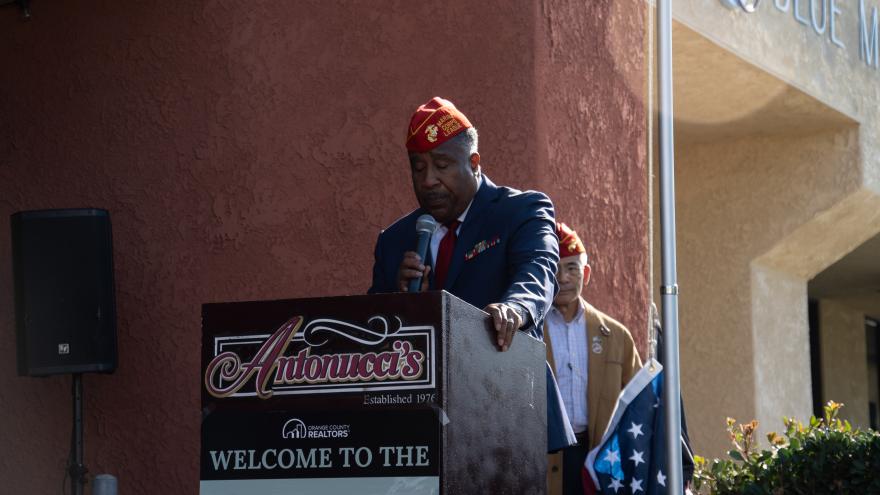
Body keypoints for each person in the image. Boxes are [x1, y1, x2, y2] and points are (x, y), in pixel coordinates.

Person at [368, 96, 575, 450]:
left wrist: (516, 308)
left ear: (474, 162)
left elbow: (538, 271)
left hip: (505, 416)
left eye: (442, 166)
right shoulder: (395, 241)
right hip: (420, 430)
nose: (429, 180)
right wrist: (396, 299)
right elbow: (371, 332)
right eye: (418, 168)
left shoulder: (520, 211)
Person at [545, 222, 642, 495]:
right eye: (554, 268)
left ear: (585, 274)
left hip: (598, 461)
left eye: (572, 268)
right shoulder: (528, 331)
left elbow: (637, 404)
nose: (562, 278)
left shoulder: (616, 336)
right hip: (543, 458)